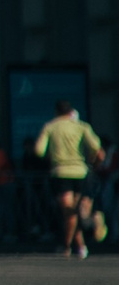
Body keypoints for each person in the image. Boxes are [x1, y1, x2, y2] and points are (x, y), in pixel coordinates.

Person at [34, 101, 104, 259]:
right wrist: (93, 164)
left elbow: (38, 151)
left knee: (69, 211)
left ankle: (67, 245)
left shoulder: (51, 127)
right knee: (74, 212)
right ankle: (81, 245)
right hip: (81, 172)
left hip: (61, 172)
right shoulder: (81, 126)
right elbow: (97, 149)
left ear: (56, 111)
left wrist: (51, 156)